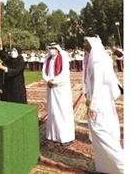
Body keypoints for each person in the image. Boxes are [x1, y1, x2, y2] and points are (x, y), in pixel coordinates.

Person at [83, 35, 124, 174]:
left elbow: (99, 84)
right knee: (98, 135)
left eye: (85, 41)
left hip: (100, 102)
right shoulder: (95, 55)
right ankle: (106, 169)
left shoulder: (98, 58)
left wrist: (93, 105)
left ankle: (122, 165)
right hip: (99, 100)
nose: (83, 43)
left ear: (91, 42)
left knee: (102, 133)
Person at [42, 42, 76, 147]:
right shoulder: (47, 58)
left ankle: (65, 137)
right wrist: (48, 81)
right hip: (50, 88)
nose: (52, 50)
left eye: (53, 48)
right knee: (53, 111)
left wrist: (54, 82)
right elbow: (44, 71)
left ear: (58, 49)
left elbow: (64, 73)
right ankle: (53, 135)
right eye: (50, 48)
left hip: (60, 88)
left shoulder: (63, 58)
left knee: (62, 111)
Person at [0, 38, 28, 104]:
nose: (13, 52)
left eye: (15, 50)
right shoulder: (9, 60)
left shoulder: (21, 62)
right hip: (7, 86)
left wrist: (3, 68)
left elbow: (15, 71)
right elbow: (3, 55)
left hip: (17, 86)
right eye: (12, 50)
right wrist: (1, 45)